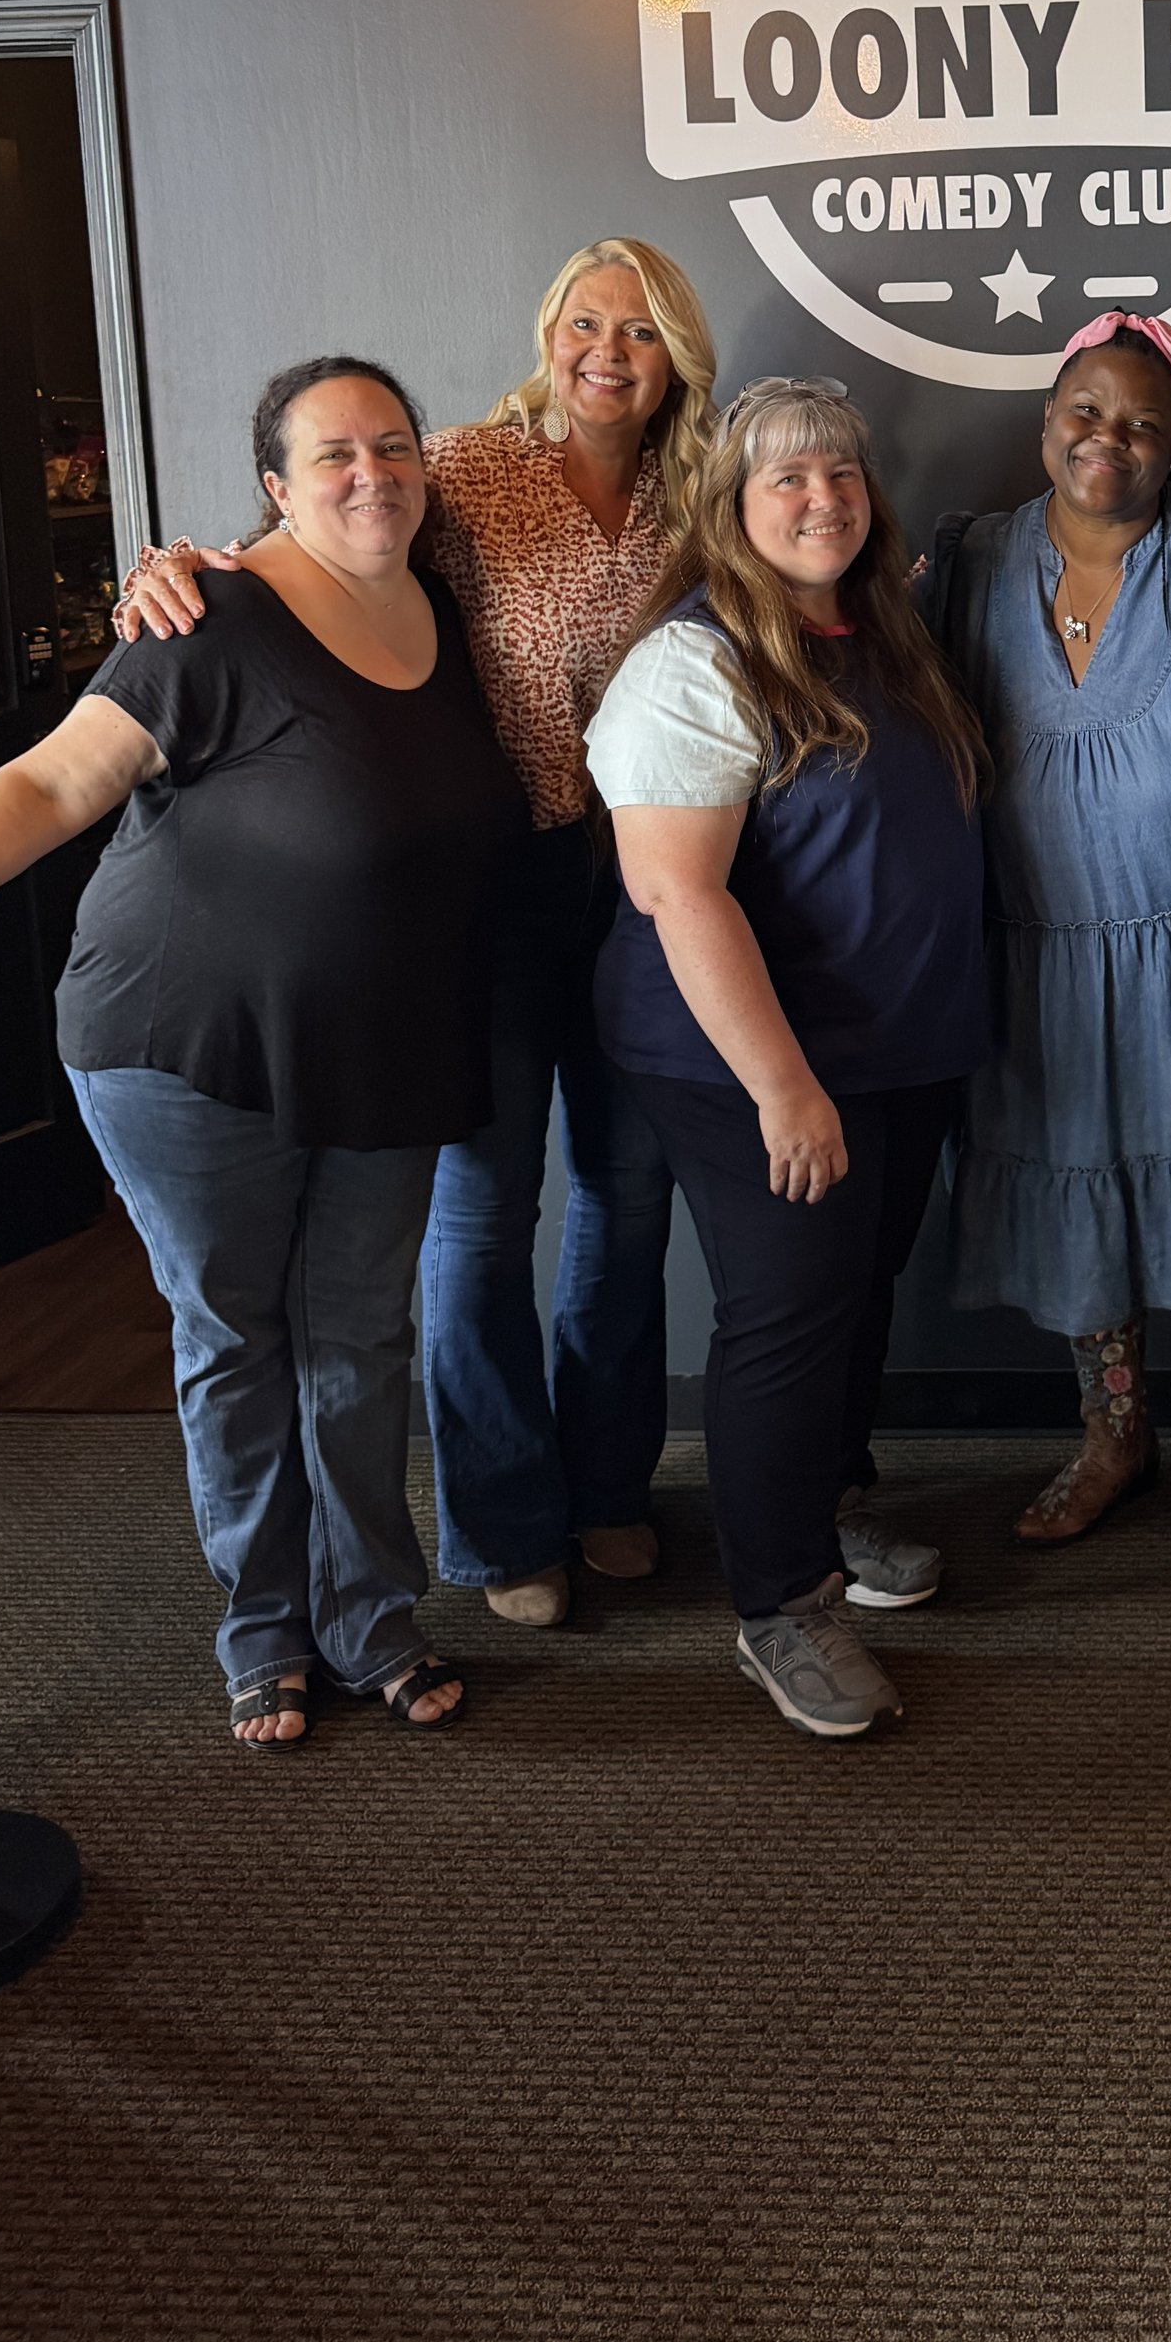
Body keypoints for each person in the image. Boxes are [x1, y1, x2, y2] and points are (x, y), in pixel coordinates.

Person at [0, 360, 526, 1747]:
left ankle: (369, 1618)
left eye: (393, 446)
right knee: (236, 1337)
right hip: (184, 1045)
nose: (371, 474)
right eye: (333, 453)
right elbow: (49, 782)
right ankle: (264, 1629)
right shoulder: (206, 616)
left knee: (360, 1339)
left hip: (386, 1046)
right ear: (275, 485)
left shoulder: (445, 605)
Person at [115, 239, 713, 1630]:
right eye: (584, 322)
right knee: (484, 1209)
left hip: (647, 879)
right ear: (548, 334)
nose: (608, 352)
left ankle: (608, 1486)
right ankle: (505, 1525)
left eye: (640, 330)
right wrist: (184, 567)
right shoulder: (463, 468)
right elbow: (317, 537)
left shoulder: (703, 489)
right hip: (480, 882)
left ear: (678, 354)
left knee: (630, 1194)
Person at [586, 380, 987, 1739]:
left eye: (841, 474)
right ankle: (780, 1605)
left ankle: (823, 1511)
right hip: (746, 1060)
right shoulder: (691, 663)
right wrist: (782, 1085)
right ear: (730, 508)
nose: (824, 499)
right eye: (787, 480)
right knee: (788, 1314)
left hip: (892, 1047)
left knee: (853, 1295)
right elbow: (677, 893)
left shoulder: (881, 633)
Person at [924, 315, 1171, 1579]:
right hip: (1039, 957)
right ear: (1046, 419)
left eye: (1143, 423)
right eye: (1087, 411)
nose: (1110, 438)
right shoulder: (970, 563)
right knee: (1076, 1195)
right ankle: (1115, 1436)